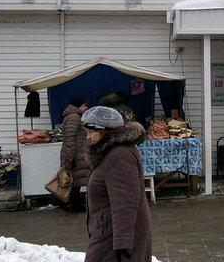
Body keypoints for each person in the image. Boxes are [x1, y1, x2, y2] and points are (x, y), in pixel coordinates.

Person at [81, 106, 153, 262]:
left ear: (104, 130)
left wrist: (123, 243)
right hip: (109, 232)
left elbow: (125, 203)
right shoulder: (110, 151)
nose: (87, 137)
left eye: (91, 131)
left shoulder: (119, 155)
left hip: (115, 238)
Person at [59, 96, 90, 211]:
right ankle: (71, 204)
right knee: (73, 180)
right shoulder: (74, 117)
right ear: (78, 106)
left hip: (76, 153)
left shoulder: (74, 116)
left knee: (75, 180)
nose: (86, 108)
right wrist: (70, 156)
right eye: (84, 105)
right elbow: (69, 138)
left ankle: (73, 203)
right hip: (75, 154)